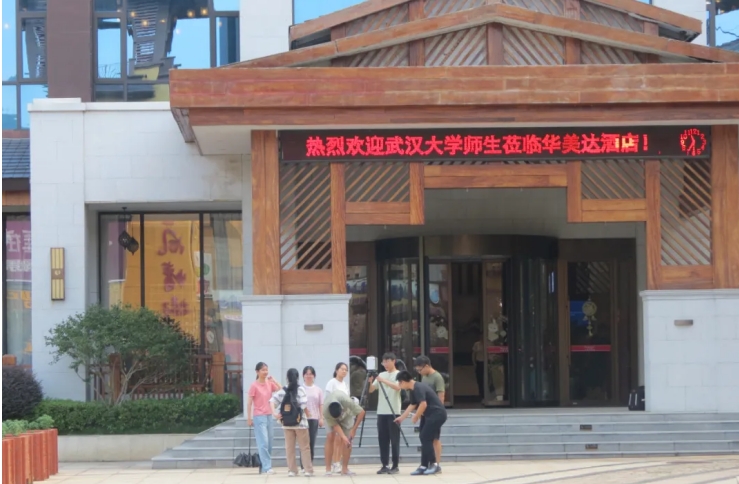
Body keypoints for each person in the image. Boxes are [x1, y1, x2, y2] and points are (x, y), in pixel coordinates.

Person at [394, 370, 447, 476]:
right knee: (423, 437)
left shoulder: (418, 388)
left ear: (403, 381)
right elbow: (413, 404)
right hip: (429, 415)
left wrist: (416, 416)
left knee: (425, 437)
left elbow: (423, 404)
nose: (400, 386)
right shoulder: (413, 388)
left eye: (400, 383)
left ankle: (434, 464)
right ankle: (424, 465)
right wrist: (402, 417)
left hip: (437, 414)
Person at [271, 368, 314, 477]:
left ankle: (292, 470)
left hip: (287, 424)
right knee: (304, 448)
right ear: (298, 377)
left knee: (289, 448)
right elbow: (303, 405)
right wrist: (308, 414)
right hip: (301, 423)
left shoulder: (284, 390)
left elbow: (272, 401)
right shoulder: (301, 389)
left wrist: (275, 414)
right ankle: (308, 470)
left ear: (287, 378)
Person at [369, 352, 402, 475]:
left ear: (394, 361)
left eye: (387, 361)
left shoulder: (399, 374)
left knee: (394, 439)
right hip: (381, 411)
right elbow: (371, 390)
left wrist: (383, 380)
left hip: (394, 411)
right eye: (384, 362)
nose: (385, 364)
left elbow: (398, 387)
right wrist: (370, 382)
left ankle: (395, 465)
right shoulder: (381, 374)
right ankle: (385, 464)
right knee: (382, 439)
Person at [247, 362, 281, 475]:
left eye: (266, 369)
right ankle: (267, 467)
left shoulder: (269, 383)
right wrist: (249, 418)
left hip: (269, 415)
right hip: (259, 416)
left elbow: (281, 390)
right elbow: (249, 403)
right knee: (263, 442)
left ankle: (264, 465)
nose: (265, 372)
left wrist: (274, 380)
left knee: (269, 442)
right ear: (257, 372)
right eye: (263, 370)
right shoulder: (254, 385)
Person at [323, 388, 366, 477]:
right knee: (330, 436)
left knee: (348, 440)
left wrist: (353, 430)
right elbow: (335, 425)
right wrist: (343, 437)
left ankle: (345, 469)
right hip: (331, 418)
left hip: (346, 415)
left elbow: (362, 412)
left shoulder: (347, 401)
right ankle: (328, 469)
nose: (338, 419)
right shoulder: (326, 411)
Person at [414, 356, 445, 467]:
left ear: (426, 366)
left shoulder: (437, 377)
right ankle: (427, 462)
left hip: (435, 412)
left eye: (420, 370)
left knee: (435, 439)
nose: (419, 372)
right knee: (425, 438)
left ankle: (436, 463)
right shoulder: (424, 377)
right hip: (426, 412)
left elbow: (441, 396)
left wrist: (438, 410)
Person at [324, 362, 349, 475]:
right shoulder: (331, 383)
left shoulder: (345, 384)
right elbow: (327, 398)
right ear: (336, 370)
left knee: (340, 439)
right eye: (342, 369)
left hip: (342, 414)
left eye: (346, 370)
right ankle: (328, 467)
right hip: (331, 413)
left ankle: (337, 463)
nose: (344, 371)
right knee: (331, 437)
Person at [301, 366, 324, 473]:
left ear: (314, 375)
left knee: (311, 443)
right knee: (303, 444)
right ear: (303, 376)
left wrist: (321, 417)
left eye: (311, 374)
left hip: (314, 418)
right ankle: (303, 466)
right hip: (302, 419)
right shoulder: (301, 389)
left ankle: (309, 465)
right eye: (306, 374)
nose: (308, 376)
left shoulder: (318, 390)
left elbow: (321, 405)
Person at [472, 336, 486, 403]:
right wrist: (474, 363)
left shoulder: (489, 343)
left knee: (488, 380)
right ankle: (482, 395)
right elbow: (473, 354)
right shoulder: (477, 344)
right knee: (480, 380)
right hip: (479, 362)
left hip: (486, 363)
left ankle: (489, 396)